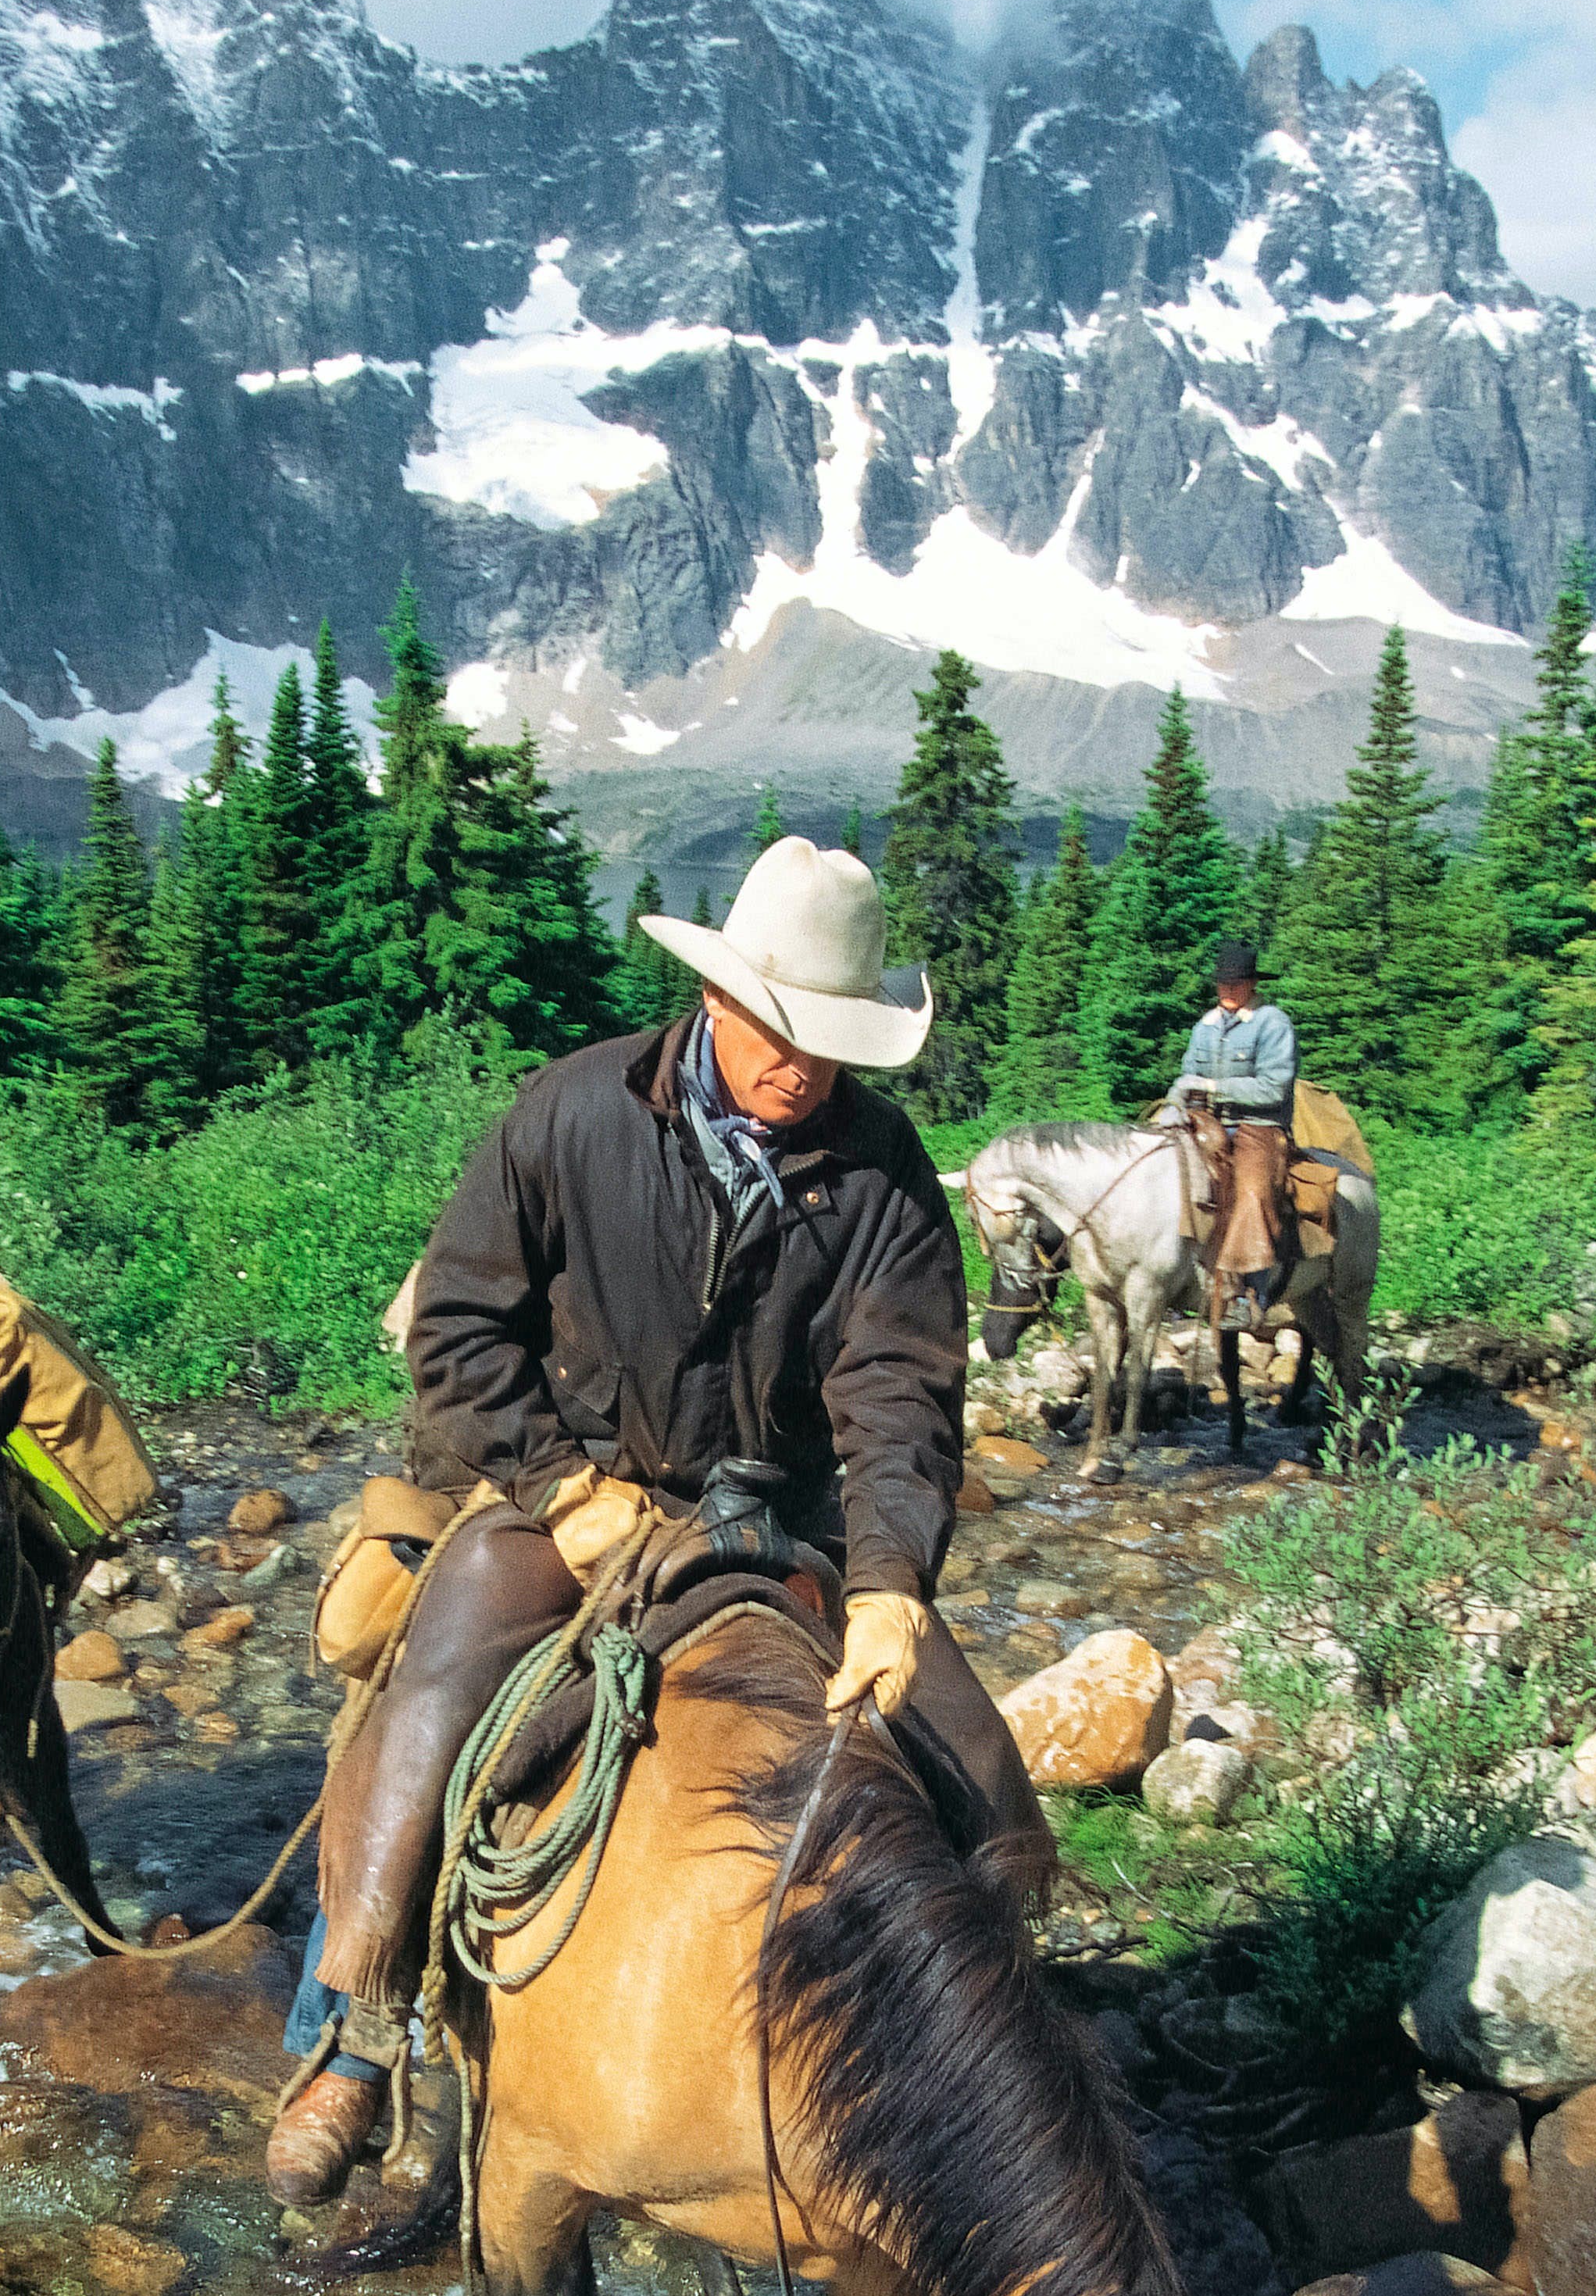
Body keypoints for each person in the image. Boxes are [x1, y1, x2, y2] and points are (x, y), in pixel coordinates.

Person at [266, 834, 1050, 2219]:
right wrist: (562, 1490)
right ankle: (355, 2025)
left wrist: (884, 1585)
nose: (801, 1069)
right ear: (719, 996)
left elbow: (901, 1397)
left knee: (987, 1787)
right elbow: (459, 1328)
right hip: (571, 1496)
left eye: (831, 1043)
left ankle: (998, 2088)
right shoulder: (571, 1116)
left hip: (785, 1528)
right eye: (779, 1031)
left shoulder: (883, 1179)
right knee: (433, 1687)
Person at [1168, 940, 1294, 1128]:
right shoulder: (1205, 1026)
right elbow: (1190, 1076)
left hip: (1257, 1126)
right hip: (1206, 1122)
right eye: (1224, 984)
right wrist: (1175, 1101)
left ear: (1253, 983)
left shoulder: (1273, 1023)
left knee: (1252, 1157)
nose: (1229, 990)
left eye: (1237, 984)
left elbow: (1274, 1089)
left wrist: (1214, 1087)